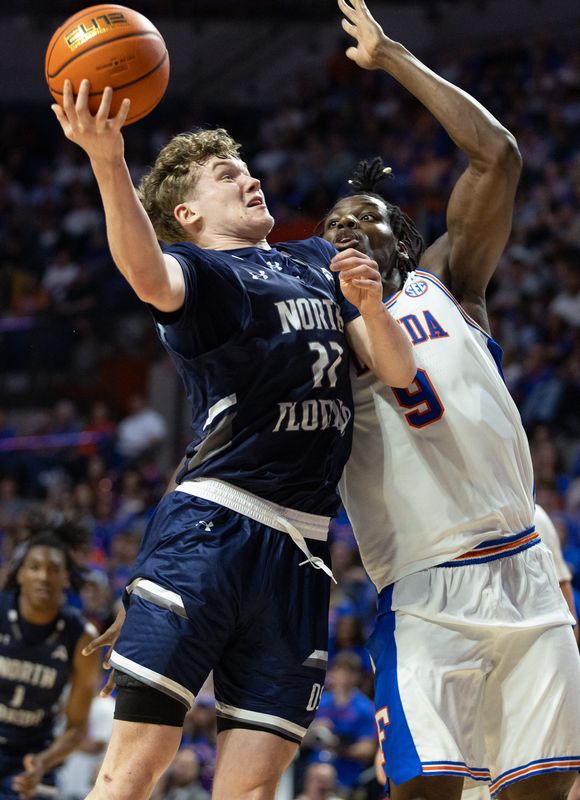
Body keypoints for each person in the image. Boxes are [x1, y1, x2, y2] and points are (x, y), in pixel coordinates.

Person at [50, 36, 415, 800]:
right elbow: (146, 272)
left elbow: (397, 371)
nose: (248, 177)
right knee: (134, 767)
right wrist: (107, 159)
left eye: (246, 167)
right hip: (213, 532)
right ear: (188, 212)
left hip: (305, 551)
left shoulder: (317, 258)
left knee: (248, 791)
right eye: (226, 175)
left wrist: (374, 306)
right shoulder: (207, 276)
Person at [322, 1, 580, 798]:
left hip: (526, 571)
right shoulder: (322, 334)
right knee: (427, 789)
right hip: (426, 586)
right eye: (333, 228)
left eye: (363, 224)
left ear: (404, 241)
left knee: (540, 790)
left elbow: (496, 156)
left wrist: (394, 56)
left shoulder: (450, 287)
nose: (345, 235)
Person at [0, 515, 100, 799]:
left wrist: (43, 762)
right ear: (20, 574)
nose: (43, 576)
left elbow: (78, 729)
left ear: (65, 578)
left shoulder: (81, 636)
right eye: (34, 567)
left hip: (33, 756)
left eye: (53, 569)